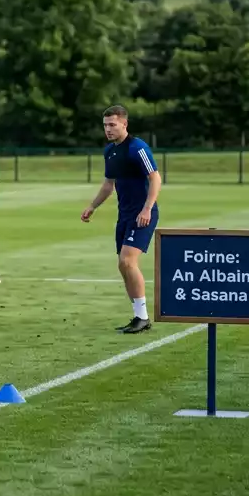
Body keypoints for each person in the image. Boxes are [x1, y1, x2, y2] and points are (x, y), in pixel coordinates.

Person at [80, 105, 161, 334]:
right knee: (123, 266)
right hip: (124, 214)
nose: (108, 129)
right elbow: (109, 184)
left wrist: (147, 208)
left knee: (127, 261)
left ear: (124, 124)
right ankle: (139, 316)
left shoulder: (138, 148)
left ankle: (143, 318)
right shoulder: (109, 151)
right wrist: (92, 206)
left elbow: (155, 179)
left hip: (143, 214)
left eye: (112, 125)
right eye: (105, 125)